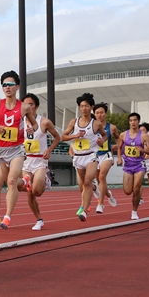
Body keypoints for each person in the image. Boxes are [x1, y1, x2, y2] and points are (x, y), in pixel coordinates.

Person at [0, 70, 38, 229]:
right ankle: (25, 180)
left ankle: (7, 217)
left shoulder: (24, 107)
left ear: (17, 87)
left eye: (10, 85)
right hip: (1, 150)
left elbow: (35, 124)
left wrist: (32, 129)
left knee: (12, 181)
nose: (7, 87)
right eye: (4, 85)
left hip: (17, 150)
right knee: (9, 182)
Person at [61, 92, 107, 222]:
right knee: (83, 185)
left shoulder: (96, 124)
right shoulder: (74, 122)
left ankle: (84, 210)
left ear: (91, 107)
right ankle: (95, 189)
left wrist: (101, 141)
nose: (84, 108)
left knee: (87, 182)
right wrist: (75, 136)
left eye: (86, 106)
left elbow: (105, 135)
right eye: (82, 106)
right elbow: (63, 137)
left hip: (91, 156)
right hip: (78, 157)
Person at [21, 93, 61, 230]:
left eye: (30, 104)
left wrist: (49, 150)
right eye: (25, 104)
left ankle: (45, 179)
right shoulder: (19, 123)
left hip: (39, 161)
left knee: (37, 191)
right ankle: (39, 220)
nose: (28, 107)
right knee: (28, 192)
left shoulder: (44, 122)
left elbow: (57, 137)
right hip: (26, 161)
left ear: (36, 106)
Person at [116, 113, 149, 220]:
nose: (133, 122)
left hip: (139, 165)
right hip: (128, 165)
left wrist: (143, 150)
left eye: (135, 120)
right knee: (127, 191)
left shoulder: (144, 136)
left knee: (136, 189)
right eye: (131, 120)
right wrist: (119, 158)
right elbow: (119, 147)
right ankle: (135, 200)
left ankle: (134, 211)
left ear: (138, 121)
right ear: (129, 122)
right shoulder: (123, 135)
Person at [92, 103, 119, 212]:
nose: (99, 115)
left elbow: (118, 138)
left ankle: (100, 204)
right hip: (94, 156)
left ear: (105, 114)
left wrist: (118, 146)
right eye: (97, 113)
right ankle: (109, 195)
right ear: (94, 114)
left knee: (102, 177)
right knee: (99, 181)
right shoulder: (91, 127)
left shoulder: (111, 127)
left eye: (102, 112)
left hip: (106, 155)